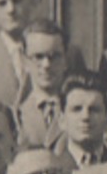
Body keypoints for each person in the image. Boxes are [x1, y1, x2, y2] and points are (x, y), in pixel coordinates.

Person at [15, 19, 73, 148]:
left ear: (66, 60)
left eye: (54, 56)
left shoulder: (79, 109)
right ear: (24, 61)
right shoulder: (16, 115)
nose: (46, 65)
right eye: (38, 57)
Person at [48, 69, 107, 169]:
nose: (85, 116)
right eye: (77, 109)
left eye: (94, 109)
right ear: (61, 120)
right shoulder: (52, 168)